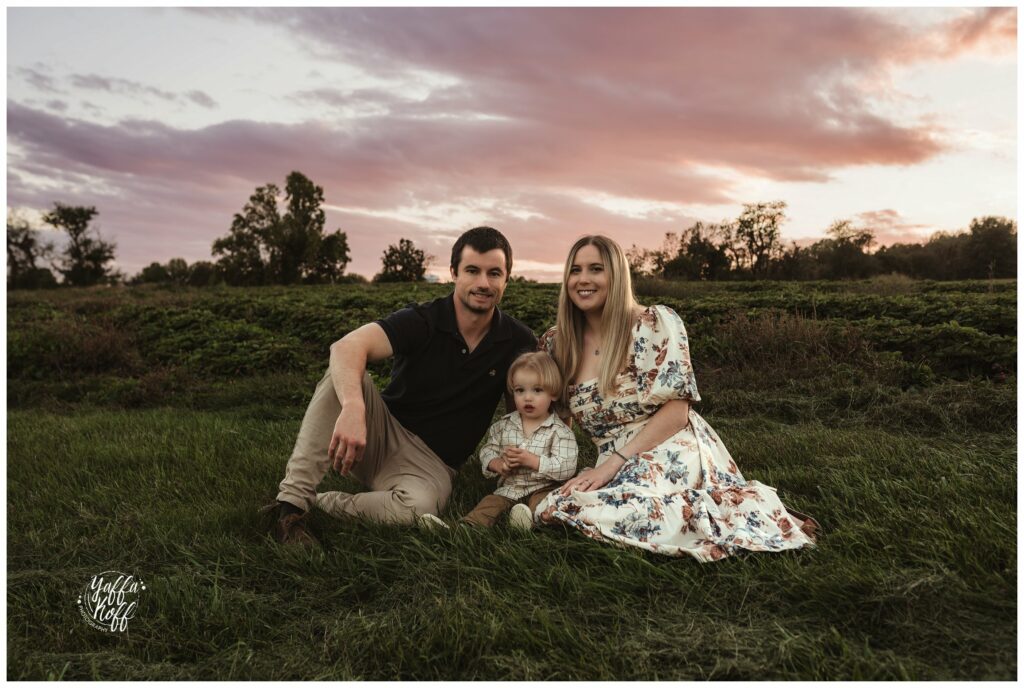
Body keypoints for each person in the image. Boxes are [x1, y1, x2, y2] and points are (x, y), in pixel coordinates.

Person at [532, 235, 818, 561]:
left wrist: (612, 466)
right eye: (575, 270)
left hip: (668, 443)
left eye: (596, 269)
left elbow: (677, 411)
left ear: (615, 275)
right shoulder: (557, 343)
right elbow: (559, 417)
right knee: (561, 505)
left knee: (636, 510)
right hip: (611, 459)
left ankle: (744, 509)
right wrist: (555, 468)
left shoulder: (653, 324)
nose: (583, 279)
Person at [270, 226, 537, 546]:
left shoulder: (518, 340)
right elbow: (346, 347)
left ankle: (324, 504)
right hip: (377, 435)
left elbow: (522, 413)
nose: (483, 283)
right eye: (472, 270)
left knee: (419, 509)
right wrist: (354, 407)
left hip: (432, 465)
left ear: (507, 278)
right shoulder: (424, 319)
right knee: (342, 372)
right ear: (454, 273)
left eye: (494, 273)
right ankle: (290, 508)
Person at [424, 351, 578, 530]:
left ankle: (526, 522)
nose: (527, 397)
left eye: (537, 390)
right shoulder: (504, 425)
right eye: (520, 390)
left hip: (544, 487)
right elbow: (488, 450)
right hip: (510, 488)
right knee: (490, 503)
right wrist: (497, 464)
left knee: (543, 504)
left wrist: (533, 461)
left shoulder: (559, 432)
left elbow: (567, 467)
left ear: (554, 394)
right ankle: (464, 527)